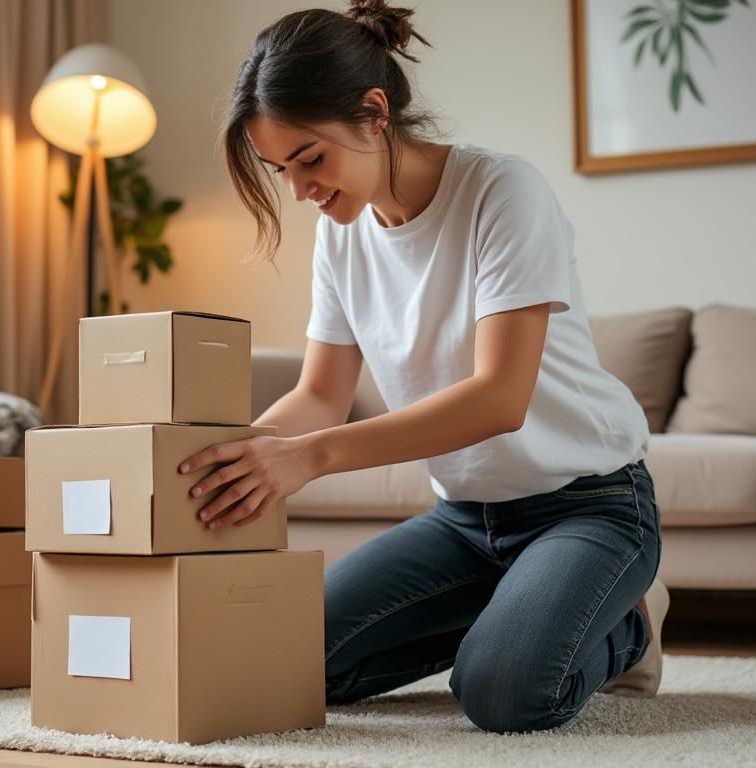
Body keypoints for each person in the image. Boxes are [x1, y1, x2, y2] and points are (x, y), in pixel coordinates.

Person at [176, 0, 667, 733]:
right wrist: (231, 457)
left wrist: (309, 459)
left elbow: (499, 399)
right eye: (282, 169)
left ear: (375, 113)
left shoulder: (503, 193)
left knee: (504, 694)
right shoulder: (341, 238)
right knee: (285, 658)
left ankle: (628, 627)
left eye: (310, 158)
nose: (301, 190)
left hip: (590, 506)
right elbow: (319, 395)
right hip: (463, 524)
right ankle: (521, 613)